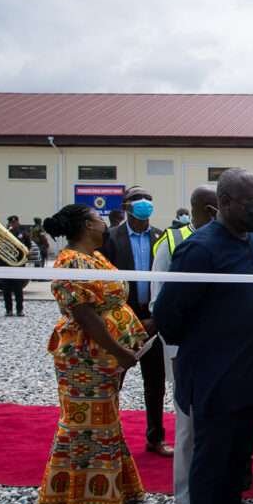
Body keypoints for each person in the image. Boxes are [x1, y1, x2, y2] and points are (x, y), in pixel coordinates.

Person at [153, 168, 253, 504]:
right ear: (223, 203)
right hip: (216, 380)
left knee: (236, 465)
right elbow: (169, 316)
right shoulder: (201, 249)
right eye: (251, 200)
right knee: (210, 469)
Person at [36, 204, 147, 504]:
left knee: (104, 419)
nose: (105, 224)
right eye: (99, 220)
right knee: (87, 424)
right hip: (86, 357)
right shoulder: (71, 263)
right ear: (87, 225)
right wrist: (120, 351)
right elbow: (86, 317)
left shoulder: (94, 257)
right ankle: (83, 498)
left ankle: (114, 488)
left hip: (102, 357)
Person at [149, 186, 226, 504]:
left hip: (226, 354)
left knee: (226, 429)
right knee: (188, 430)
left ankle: (224, 499)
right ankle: (185, 502)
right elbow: (159, 302)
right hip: (188, 354)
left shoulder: (234, 239)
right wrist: (176, 352)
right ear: (209, 209)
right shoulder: (172, 240)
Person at [98, 185, 172, 457]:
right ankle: (109, 436)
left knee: (155, 382)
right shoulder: (110, 238)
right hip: (120, 318)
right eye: (137, 200)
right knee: (114, 379)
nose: (144, 204)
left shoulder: (160, 237)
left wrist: (157, 316)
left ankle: (155, 438)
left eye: (148, 199)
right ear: (126, 206)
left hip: (152, 318)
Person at [1, 214, 30, 316]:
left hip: (18, 265)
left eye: (15, 222)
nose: (13, 224)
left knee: (18, 289)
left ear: (18, 222)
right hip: (6, 264)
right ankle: (8, 310)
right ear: (9, 223)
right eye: (11, 223)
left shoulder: (23, 233)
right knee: (6, 289)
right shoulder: (3, 233)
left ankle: (19, 310)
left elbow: (28, 247)